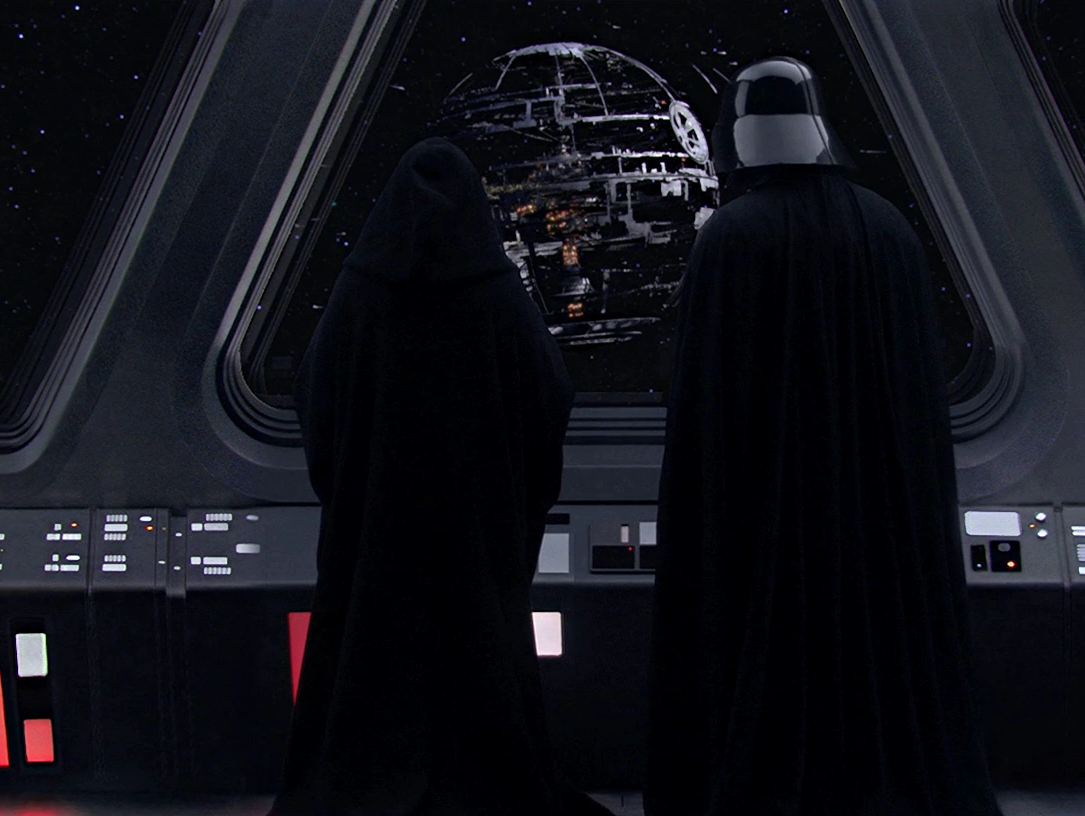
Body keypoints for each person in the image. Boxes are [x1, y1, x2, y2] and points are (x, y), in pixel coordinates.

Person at [645, 58, 1005, 816]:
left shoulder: (731, 238)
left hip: (763, 516)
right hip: (881, 515)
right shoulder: (888, 230)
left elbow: (706, 405)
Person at [270, 137, 613, 816]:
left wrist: (351, 492)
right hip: (477, 539)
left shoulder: (358, 294)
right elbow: (549, 399)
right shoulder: (499, 296)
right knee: (485, 663)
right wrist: (517, 500)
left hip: (375, 542)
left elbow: (316, 399)